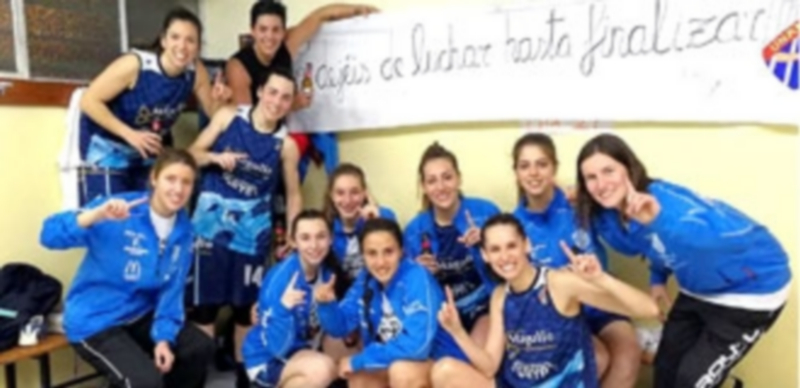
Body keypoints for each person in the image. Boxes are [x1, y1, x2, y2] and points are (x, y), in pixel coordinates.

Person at [573, 133, 792, 388]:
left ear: (629, 169)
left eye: (608, 171)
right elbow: (655, 244)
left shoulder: (668, 205)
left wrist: (658, 221)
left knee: (691, 381)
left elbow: (710, 241)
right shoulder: (612, 215)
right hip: (698, 288)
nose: (601, 184)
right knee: (665, 369)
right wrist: (658, 278)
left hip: (750, 292)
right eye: (591, 177)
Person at [39, 149, 214, 388]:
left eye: (186, 182)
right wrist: (95, 216)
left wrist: (163, 338)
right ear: (154, 178)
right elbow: (48, 235)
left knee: (199, 348)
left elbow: (171, 293)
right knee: (144, 382)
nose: (178, 189)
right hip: (96, 320)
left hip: (139, 314)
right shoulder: (119, 211)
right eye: (170, 179)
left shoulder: (184, 231)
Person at [430, 214, 659, 388]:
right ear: (485, 256)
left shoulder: (559, 283)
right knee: (444, 371)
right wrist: (458, 331)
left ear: (527, 245)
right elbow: (489, 365)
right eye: (495, 249)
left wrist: (601, 279)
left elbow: (648, 309)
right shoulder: (500, 295)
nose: (505, 257)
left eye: (511, 246)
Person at [226, 1, 378, 259]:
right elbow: (249, 121)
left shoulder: (287, 45)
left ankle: (344, 215)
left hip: (287, 138)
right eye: (263, 29)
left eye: (276, 30)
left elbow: (320, 15)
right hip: (253, 146)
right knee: (268, 207)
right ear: (252, 30)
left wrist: (359, 11)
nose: (269, 36)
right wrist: (291, 105)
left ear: (283, 31)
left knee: (322, 144)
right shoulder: (238, 66)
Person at [186, 66, 302, 387]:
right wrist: (214, 158)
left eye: (285, 97)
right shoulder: (227, 117)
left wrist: (293, 235)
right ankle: (196, 377)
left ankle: (244, 379)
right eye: (273, 92)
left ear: (291, 103)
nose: (277, 101)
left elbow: (293, 194)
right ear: (260, 91)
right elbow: (190, 155)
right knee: (204, 311)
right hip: (208, 232)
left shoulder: (286, 145)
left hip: (251, 238)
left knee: (244, 312)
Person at [510, 133, 642, 387]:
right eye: (525, 166)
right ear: (516, 172)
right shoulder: (515, 225)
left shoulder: (582, 203)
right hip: (558, 316)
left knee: (628, 351)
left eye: (542, 164)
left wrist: (630, 212)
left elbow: (628, 244)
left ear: (555, 168)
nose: (534, 173)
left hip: (599, 304)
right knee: (595, 359)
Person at [78, 7, 230, 206]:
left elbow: (214, 114)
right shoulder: (135, 64)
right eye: (175, 37)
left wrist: (221, 99)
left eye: (190, 40)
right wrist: (130, 134)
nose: (182, 46)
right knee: (109, 219)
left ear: (198, 47)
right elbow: (89, 101)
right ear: (163, 40)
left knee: (148, 216)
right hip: (107, 147)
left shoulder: (195, 71)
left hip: (148, 152)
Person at [315, 218, 467, 387]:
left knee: (402, 372)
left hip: (440, 363)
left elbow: (418, 346)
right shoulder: (365, 280)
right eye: (372, 253)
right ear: (363, 256)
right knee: (358, 377)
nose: (380, 263)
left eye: (388, 252)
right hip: (395, 359)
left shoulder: (417, 278)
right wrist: (326, 305)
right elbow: (341, 327)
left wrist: (361, 359)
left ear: (401, 251)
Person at [404, 142, 500, 346]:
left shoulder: (486, 212)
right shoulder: (414, 231)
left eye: (447, 177)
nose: (441, 187)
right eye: (432, 181)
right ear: (423, 187)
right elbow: (405, 289)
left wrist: (490, 245)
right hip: (443, 317)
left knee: (477, 353)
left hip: (485, 308)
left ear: (459, 178)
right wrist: (417, 273)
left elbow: (514, 261)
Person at [243, 209, 349, 388]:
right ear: (294, 241)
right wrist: (283, 310)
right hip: (267, 357)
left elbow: (337, 331)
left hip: (302, 349)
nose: (314, 245)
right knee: (322, 369)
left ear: (331, 239)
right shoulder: (280, 279)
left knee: (346, 355)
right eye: (305, 238)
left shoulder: (327, 272)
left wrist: (327, 305)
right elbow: (277, 347)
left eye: (321, 236)